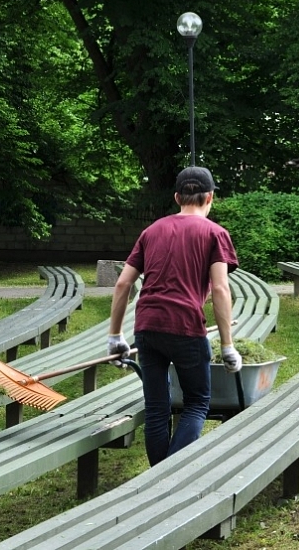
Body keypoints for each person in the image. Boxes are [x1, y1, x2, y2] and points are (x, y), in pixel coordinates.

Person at [106, 166, 241, 466]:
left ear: (177, 196)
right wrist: (228, 346)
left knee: (157, 407)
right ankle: (169, 476)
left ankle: (158, 473)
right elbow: (220, 288)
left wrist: (115, 336)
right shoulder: (215, 234)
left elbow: (123, 283)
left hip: (147, 327)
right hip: (186, 328)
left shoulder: (151, 231)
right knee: (196, 403)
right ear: (210, 198)